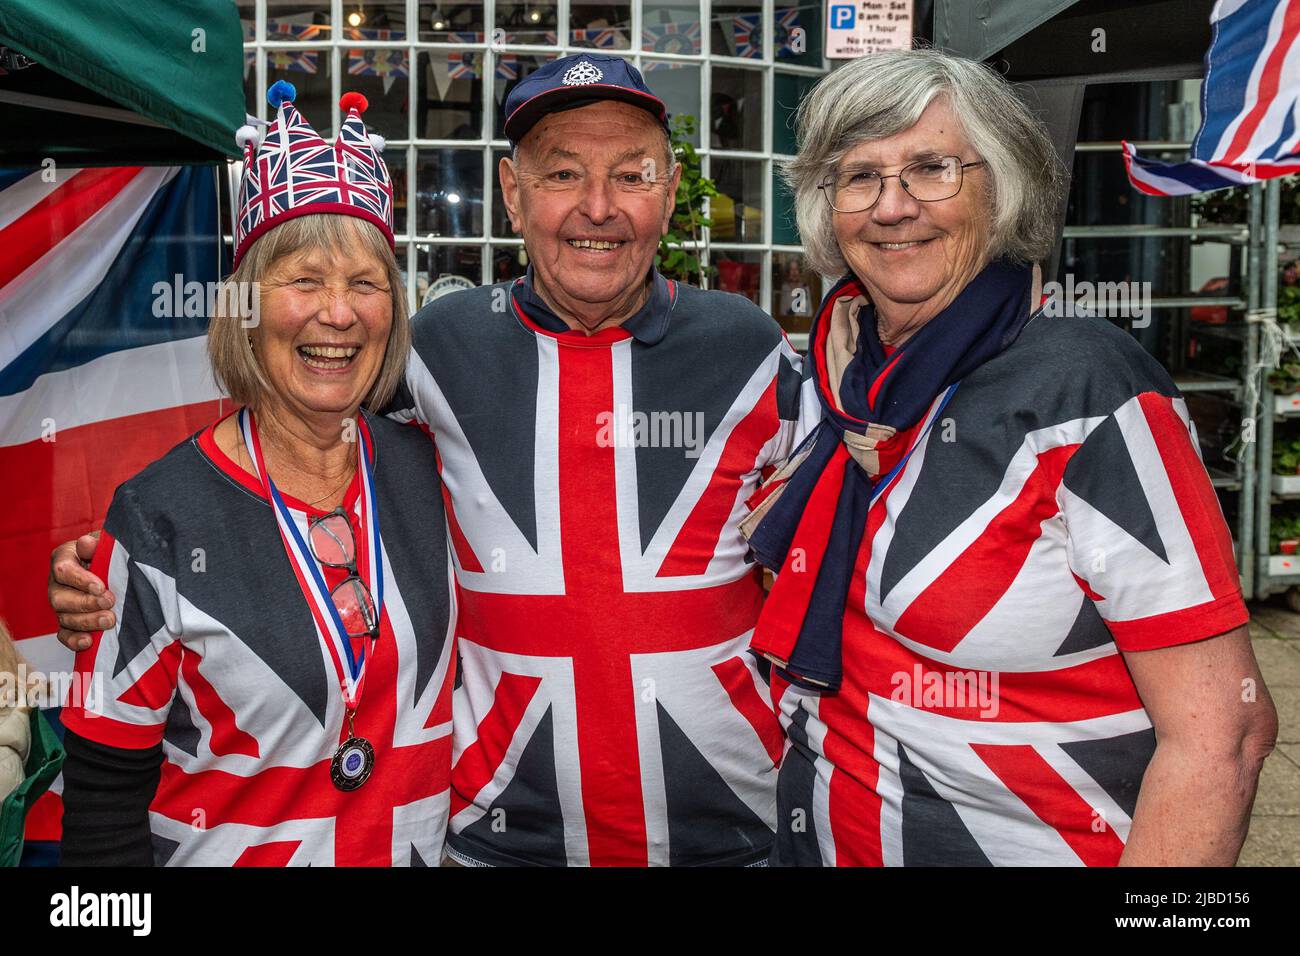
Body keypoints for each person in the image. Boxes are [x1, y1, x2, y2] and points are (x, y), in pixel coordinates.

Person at [52, 54, 803, 867]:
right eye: (561, 173)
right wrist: (119, 571)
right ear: (513, 195)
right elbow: (278, 438)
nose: (598, 207)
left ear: (669, 189)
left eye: (631, 174)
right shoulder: (441, 353)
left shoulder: (752, 350)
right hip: (499, 851)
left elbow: (847, 536)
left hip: (735, 844)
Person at [745, 49, 1277, 866]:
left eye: (933, 168)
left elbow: (1226, 738)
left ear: (1005, 188)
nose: (892, 207)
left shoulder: (1088, 388)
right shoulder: (843, 377)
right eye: (859, 176)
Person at [54, 84, 456, 866]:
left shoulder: (433, 469)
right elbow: (100, 820)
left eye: (366, 283)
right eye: (303, 280)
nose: (337, 314)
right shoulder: (156, 519)